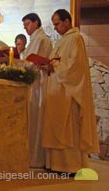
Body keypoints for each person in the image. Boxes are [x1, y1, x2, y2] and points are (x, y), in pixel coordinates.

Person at [41, 9, 99, 173]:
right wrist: (48, 66)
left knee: (68, 131)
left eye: (57, 24)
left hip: (68, 94)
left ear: (67, 21)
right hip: (57, 92)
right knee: (56, 128)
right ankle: (56, 164)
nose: (56, 28)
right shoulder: (62, 41)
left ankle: (71, 166)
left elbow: (76, 67)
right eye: (54, 25)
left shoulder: (76, 38)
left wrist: (55, 66)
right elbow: (57, 63)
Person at [21, 13, 52, 168]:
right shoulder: (36, 39)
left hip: (37, 84)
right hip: (34, 83)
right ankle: (32, 156)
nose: (25, 27)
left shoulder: (40, 39)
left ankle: (36, 158)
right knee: (33, 120)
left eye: (27, 24)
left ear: (36, 22)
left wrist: (15, 64)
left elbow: (31, 63)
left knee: (36, 120)